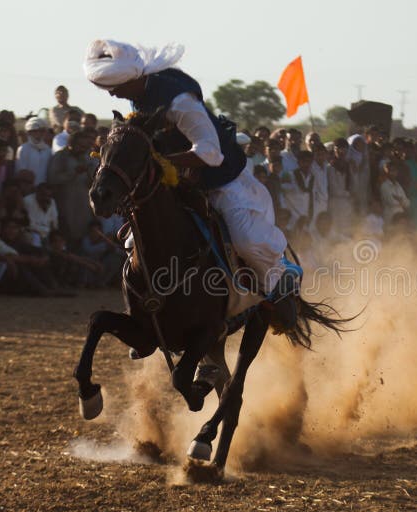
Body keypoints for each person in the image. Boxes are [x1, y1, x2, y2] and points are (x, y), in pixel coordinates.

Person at [83, 39, 298, 325]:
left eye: (114, 87)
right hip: (182, 183)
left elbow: (210, 153)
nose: (111, 95)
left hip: (224, 181)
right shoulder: (139, 95)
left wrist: (164, 162)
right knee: (136, 240)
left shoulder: (180, 102)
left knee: (247, 243)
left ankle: (279, 288)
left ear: (131, 79)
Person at [47, 131, 96, 246]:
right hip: (66, 203)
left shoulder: (88, 156)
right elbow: (52, 179)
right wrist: (73, 173)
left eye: (85, 147)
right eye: (80, 146)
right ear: (71, 144)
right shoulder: (60, 156)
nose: (83, 149)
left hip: (84, 204)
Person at [15, 117, 51, 185]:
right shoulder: (23, 149)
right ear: (29, 132)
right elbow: (21, 170)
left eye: (41, 131)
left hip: (43, 188)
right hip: (28, 187)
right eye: (35, 131)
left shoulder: (47, 149)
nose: (38, 133)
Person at [379, 159, 410, 224]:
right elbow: (391, 202)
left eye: (395, 171)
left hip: (401, 216)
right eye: (391, 171)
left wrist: (399, 199)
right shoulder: (384, 186)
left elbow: (407, 203)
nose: (393, 173)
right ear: (387, 171)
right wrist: (401, 200)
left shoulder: (398, 186)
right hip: (390, 216)